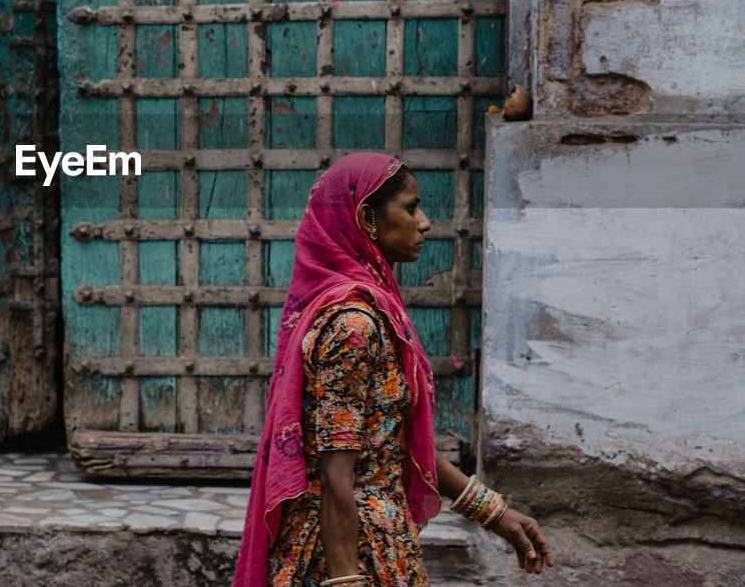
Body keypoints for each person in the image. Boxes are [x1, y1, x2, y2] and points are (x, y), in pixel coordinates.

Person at [233, 152, 554, 586]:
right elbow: (335, 472)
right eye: (410, 207)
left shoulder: (375, 313)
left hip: (382, 543)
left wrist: (494, 514)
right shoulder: (352, 325)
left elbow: (397, 439)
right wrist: (346, 580)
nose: (424, 222)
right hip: (349, 555)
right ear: (367, 218)